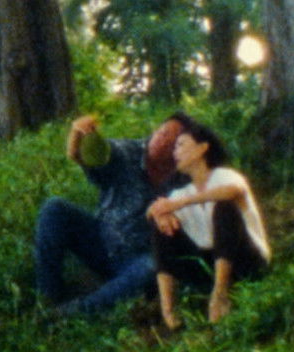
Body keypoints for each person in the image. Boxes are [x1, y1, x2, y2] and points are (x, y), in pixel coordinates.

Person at [34, 113, 187, 316]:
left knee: (152, 267)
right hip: (101, 241)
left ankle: (77, 310)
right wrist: (78, 134)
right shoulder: (128, 152)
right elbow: (82, 155)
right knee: (54, 209)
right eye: (161, 131)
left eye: (171, 138)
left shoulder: (184, 179)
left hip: (138, 260)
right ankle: (48, 296)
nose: (160, 138)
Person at [146, 117, 270, 329]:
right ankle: (168, 310)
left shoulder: (224, 176)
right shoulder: (181, 192)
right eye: (174, 148)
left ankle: (220, 295)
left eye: (181, 145)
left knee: (224, 206)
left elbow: (233, 192)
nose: (175, 152)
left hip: (246, 262)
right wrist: (159, 214)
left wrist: (181, 203)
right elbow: (152, 210)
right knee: (162, 227)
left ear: (202, 148)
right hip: (207, 266)